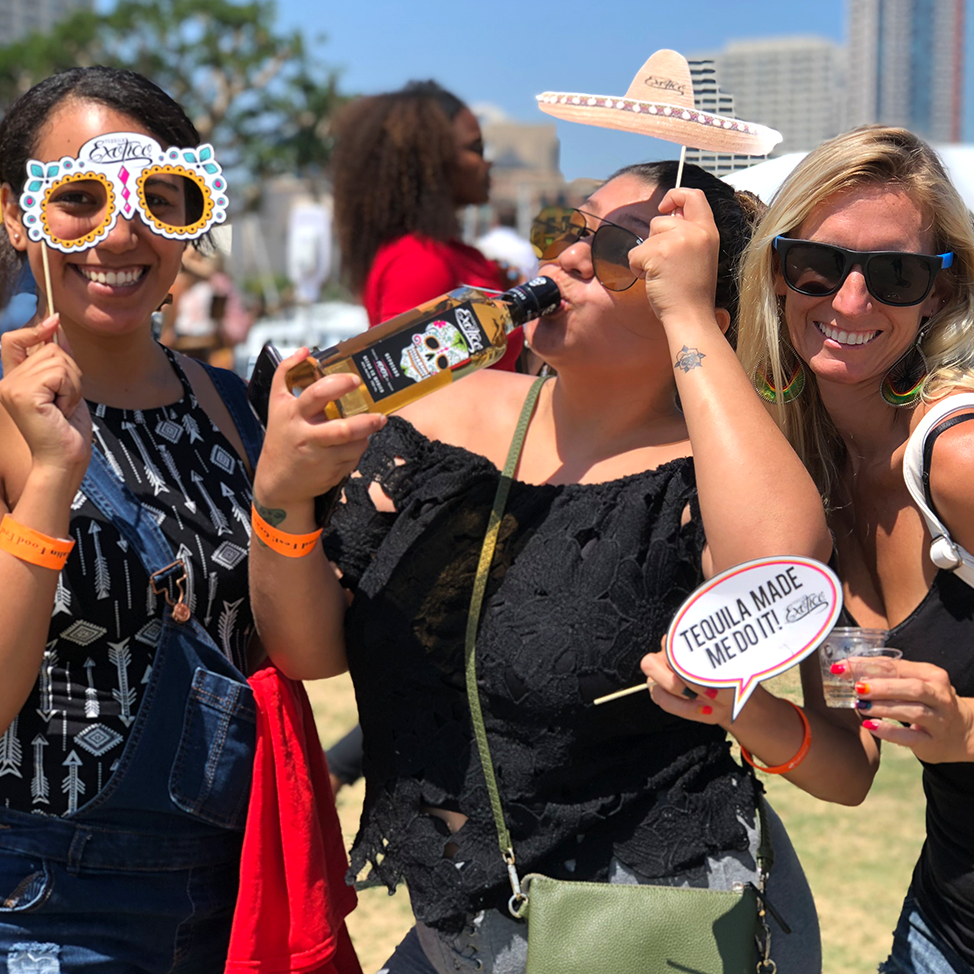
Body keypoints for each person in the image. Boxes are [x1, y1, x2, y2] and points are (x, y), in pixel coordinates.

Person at [251, 159, 871, 973]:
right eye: (567, 228)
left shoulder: (712, 477)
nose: (569, 258)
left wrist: (685, 316)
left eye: (625, 251)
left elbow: (778, 565)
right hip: (457, 934)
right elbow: (309, 651)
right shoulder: (435, 421)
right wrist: (281, 501)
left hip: (647, 928)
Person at [0, 67, 265, 971]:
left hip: (237, 893)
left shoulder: (238, 407)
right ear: (13, 214)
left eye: (159, 197)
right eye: (76, 197)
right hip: (42, 901)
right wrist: (51, 475)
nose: (120, 231)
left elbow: (301, 649)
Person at [733, 125, 974, 974]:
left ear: (937, 296)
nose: (849, 302)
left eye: (896, 274)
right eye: (820, 265)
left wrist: (967, 729)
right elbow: (850, 764)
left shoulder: (958, 459)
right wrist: (729, 703)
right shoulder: (813, 492)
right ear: (777, 271)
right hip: (945, 923)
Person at [331, 79, 524, 371]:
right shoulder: (419, 261)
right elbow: (409, 389)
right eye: (477, 148)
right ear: (432, 161)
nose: (488, 163)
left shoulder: (444, 253)